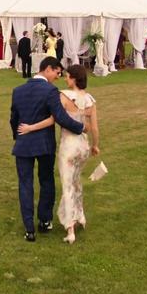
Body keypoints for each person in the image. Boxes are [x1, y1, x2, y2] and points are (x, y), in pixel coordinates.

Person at [19, 64, 100, 244]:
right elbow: (94, 127)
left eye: (67, 76)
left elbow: (53, 120)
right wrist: (95, 146)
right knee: (77, 182)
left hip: (69, 147)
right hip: (83, 147)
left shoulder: (63, 96)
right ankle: (81, 216)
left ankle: (70, 228)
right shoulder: (90, 100)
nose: (64, 78)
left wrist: (31, 127)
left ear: (73, 78)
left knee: (68, 185)